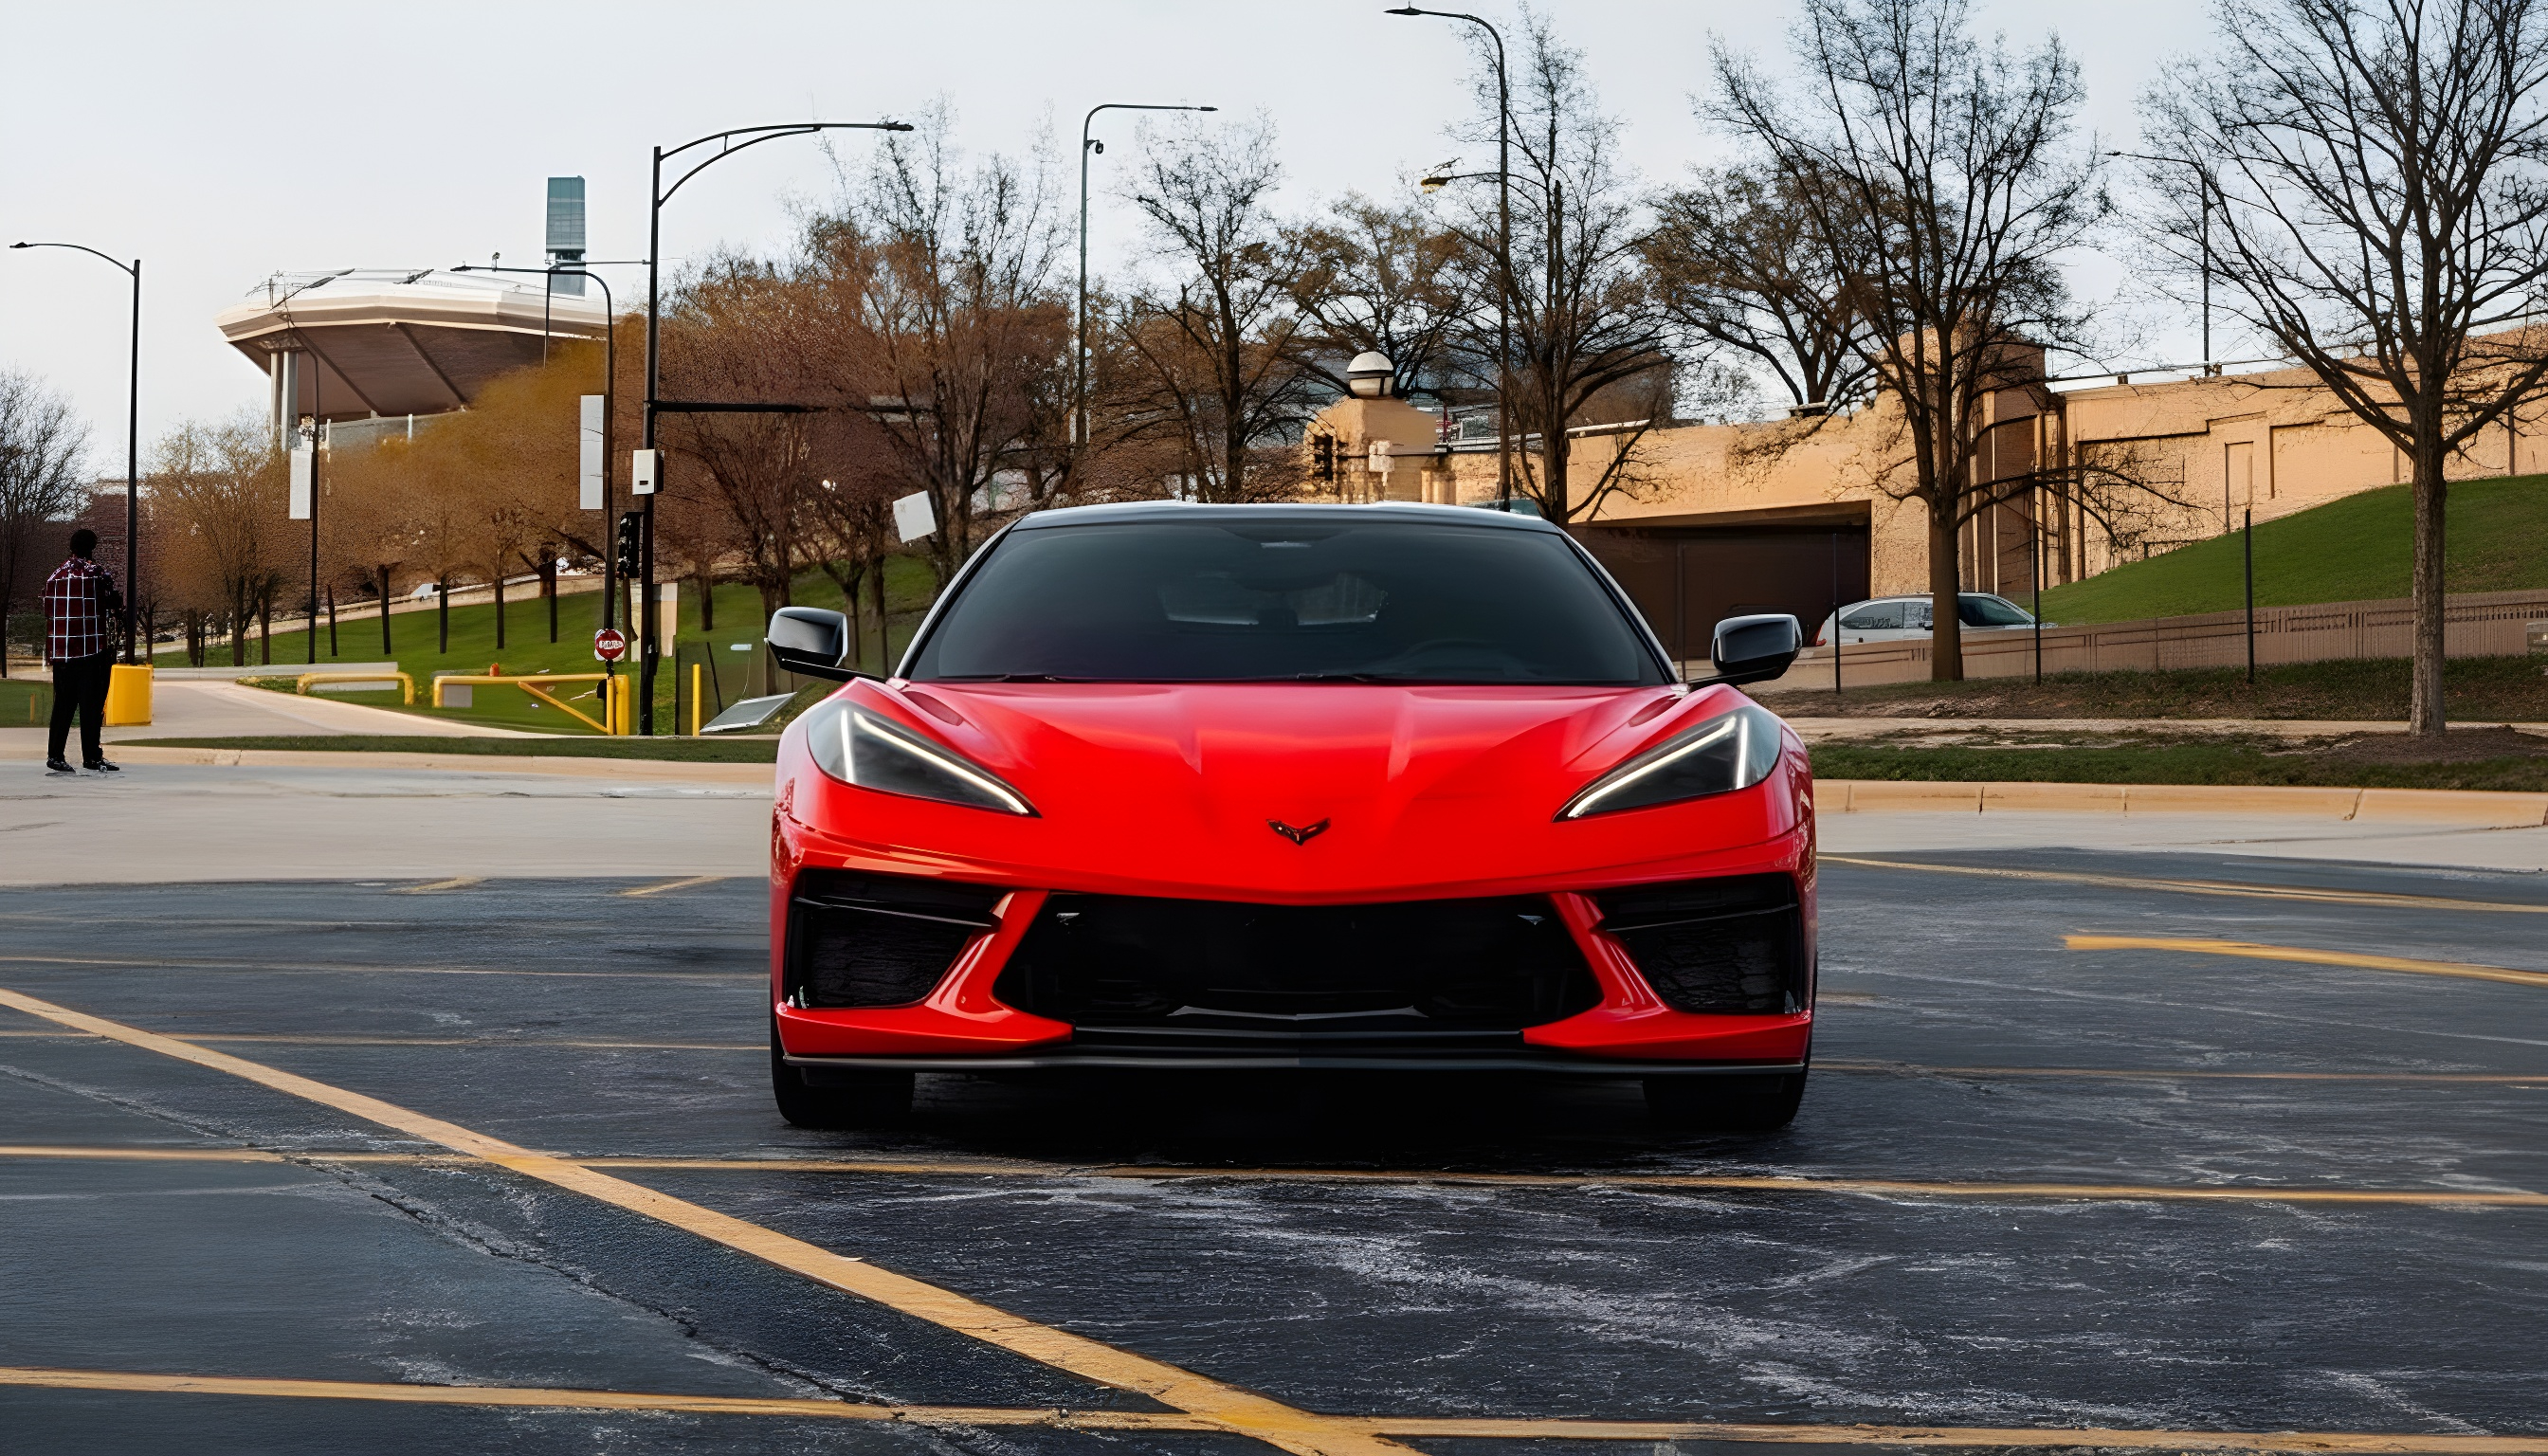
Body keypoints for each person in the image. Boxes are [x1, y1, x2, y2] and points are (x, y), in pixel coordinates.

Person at [43, 528, 123, 776]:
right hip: (90, 649)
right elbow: (113, 600)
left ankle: (55, 755)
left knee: (62, 706)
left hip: (62, 652)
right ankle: (91, 756)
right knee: (91, 707)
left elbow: (48, 607)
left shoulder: (55, 576)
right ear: (92, 547)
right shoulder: (95, 573)